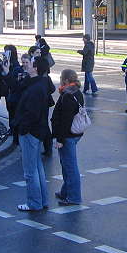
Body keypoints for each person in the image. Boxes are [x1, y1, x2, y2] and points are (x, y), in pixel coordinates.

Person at [12, 57, 52, 211]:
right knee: (37, 167)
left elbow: (31, 113)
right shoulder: (39, 84)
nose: (27, 64)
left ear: (35, 68)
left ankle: (34, 202)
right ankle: (42, 200)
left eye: (30, 63)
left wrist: (22, 128)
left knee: (30, 171)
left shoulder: (36, 88)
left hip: (30, 132)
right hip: (37, 131)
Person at [51, 69, 86, 205]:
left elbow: (65, 120)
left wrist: (59, 139)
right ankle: (65, 191)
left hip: (67, 135)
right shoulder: (76, 92)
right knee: (66, 165)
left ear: (65, 80)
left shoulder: (67, 95)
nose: (59, 79)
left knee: (70, 167)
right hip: (75, 134)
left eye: (60, 77)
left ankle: (74, 197)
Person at [3, 50, 28, 145]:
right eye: (23, 62)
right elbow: (12, 84)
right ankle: (15, 139)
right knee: (15, 119)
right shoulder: (17, 70)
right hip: (16, 99)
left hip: (25, 101)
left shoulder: (32, 72)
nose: (25, 64)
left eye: (27, 62)